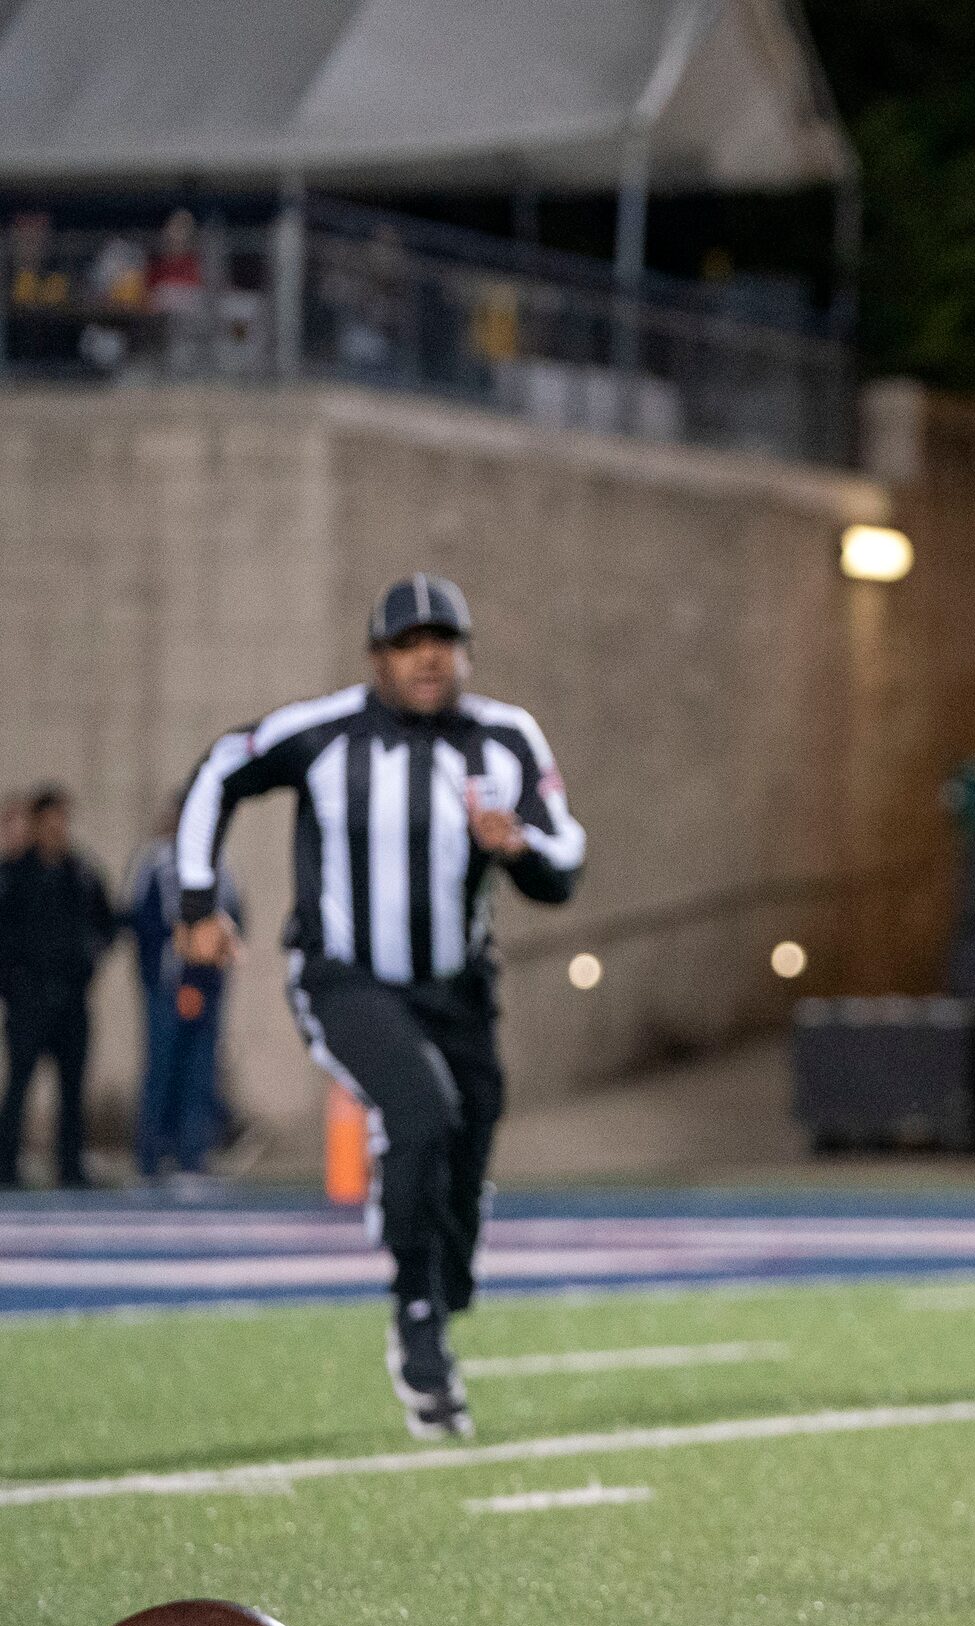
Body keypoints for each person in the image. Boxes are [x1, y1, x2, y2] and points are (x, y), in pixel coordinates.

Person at [175, 575, 585, 1437]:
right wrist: (197, 900)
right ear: (377, 659)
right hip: (344, 976)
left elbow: (565, 858)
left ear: (466, 653)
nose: (427, 655)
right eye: (408, 642)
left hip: (460, 989)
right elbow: (218, 768)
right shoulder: (324, 732)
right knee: (419, 1112)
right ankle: (415, 1315)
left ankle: (442, 1274)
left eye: (443, 639)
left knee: (468, 1145)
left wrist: (520, 847)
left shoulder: (505, 738)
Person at [0, 786, 119, 1188]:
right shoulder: (14, 876)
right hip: (28, 999)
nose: (56, 831)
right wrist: (13, 982)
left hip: (71, 998)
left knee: (73, 1088)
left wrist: (90, 959)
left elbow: (108, 922)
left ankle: (70, 1166)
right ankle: (6, 1166)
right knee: (19, 1085)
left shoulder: (81, 873)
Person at [128, 796, 242, 1183]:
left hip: (207, 985)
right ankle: (151, 1157)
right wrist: (159, 976)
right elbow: (140, 922)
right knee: (163, 1069)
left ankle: (193, 1156)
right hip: (168, 983)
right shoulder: (157, 861)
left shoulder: (220, 862)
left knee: (201, 1072)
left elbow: (234, 920)